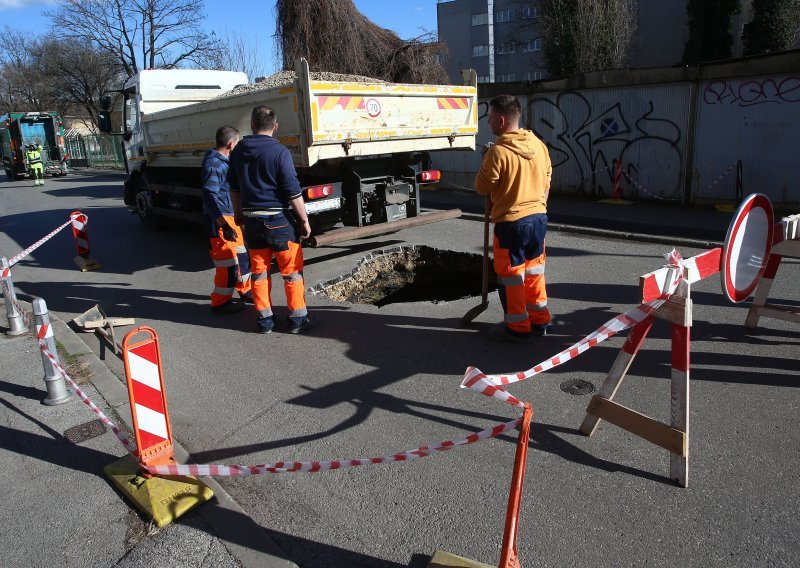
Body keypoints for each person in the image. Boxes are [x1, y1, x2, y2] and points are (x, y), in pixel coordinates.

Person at [228, 105, 317, 334]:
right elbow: (292, 191)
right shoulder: (279, 152)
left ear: (252, 126)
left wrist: (238, 213)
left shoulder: (238, 151)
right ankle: (298, 319)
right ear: (275, 127)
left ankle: (265, 320)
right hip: (279, 221)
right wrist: (304, 220)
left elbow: (234, 188)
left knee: (259, 272)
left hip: (253, 224)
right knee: (292, 271)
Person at [475, 94, 552, 343]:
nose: (488, 124)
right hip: (539, 219)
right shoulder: (539, 145)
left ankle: (518, 327)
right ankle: (540, 321)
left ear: (500, 120)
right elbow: (547, 181)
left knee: (512, 277)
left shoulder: (497, 152)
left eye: (489, 119)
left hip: (512, 224)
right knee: (534, 273)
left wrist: (485, 162)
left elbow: (482, 187)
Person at [202, 125, 252, 314]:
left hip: (229, 218)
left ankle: (245, 291)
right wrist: (223, 224)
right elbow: (209, 197)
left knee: (242, 257)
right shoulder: (214, 164)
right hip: (221, 221)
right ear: (231, 144)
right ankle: (220, 302)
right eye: (238, 143)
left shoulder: (223, 161)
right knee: (227, 264)